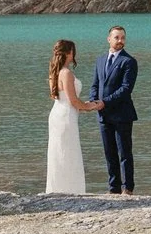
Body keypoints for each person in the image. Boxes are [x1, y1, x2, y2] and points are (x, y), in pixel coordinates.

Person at [90, 25, 139, 196]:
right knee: (109, 154)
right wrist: (93, 101)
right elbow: (96, 84)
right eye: (117, 37)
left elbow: (126, 89)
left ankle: (128, 188)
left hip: (122, 114)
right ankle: (113, 188)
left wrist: (105, 102)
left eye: (123, 38)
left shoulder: (129, 61)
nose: (120, 41)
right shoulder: (100, 60)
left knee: (124, 153)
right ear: (109, 39)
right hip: (103, 114)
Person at [45, 39, 93, 196]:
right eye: (73, 51)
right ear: (69, 53)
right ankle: (70, 190)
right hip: (66, 115)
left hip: (57, 112)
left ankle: (58, 188)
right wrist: (91, 106)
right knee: (68, 151)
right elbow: (73, 101)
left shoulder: (54, 71)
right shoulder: (66, 73)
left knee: (59, 151)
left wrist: (82, 106)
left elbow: (58, 97)